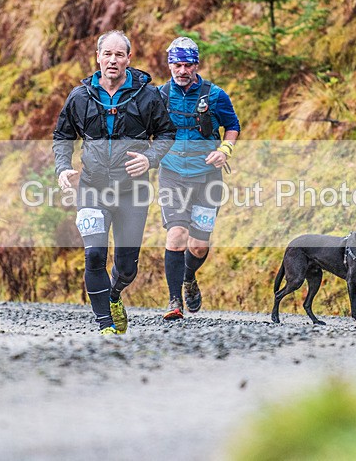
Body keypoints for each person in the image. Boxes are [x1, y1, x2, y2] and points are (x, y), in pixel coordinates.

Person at [53, 30, 176, 335]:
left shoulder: (148, 96)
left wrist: (150, 159)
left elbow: (166, 133)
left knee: (127, 266)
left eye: (119, 55)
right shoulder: (80, 96)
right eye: (107, 54)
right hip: (92, 189)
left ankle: (114, 294)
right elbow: (63, 136)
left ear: (128, 59)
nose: (112, 60)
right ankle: (105, 325)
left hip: (132, 192)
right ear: (98, 57)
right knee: (94, 254)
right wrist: (63, 168)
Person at [157, 37, 241, 320]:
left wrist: (224, 150)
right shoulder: (159, 96)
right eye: (177, 65)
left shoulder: (215, 95)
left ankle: (188, 277)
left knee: (198, 245)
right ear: (169, 65)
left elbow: (232, 126)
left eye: (188, 65)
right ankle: (174, 301)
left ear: (196, 65)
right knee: (176, 235)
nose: (182, 71)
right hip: (172, 175)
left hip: (207, 178)